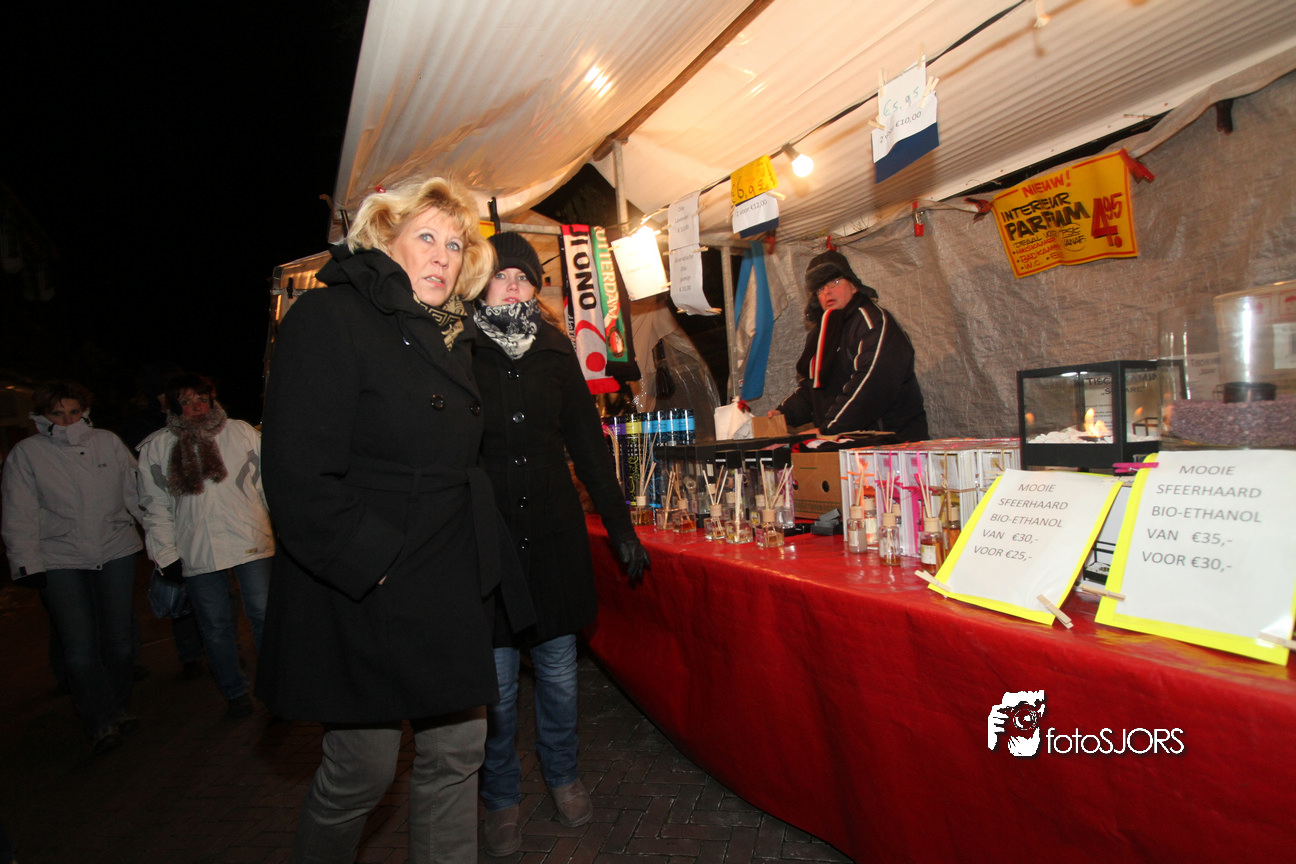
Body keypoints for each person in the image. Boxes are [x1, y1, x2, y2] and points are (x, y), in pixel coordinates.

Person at [257, 177, 535, 864]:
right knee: (362, 768)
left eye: (455, 244)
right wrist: (377, 563)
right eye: (426, 237)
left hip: (447, 578)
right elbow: (296, 474)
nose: (442, 255)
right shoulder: (330, 316)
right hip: (368, 585)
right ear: (385, 239)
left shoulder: (450, 335)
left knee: (459, 751)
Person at [471, 232, 650, 856]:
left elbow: (588, 445)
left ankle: (564, 774)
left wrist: (620, 526)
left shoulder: (554, 349)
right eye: (500, 276)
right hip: (490, 542)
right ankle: (499, 796)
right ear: (480, 284)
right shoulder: (461, 349)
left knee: (558, 673)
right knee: (496, 688)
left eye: (522, 277)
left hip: (552, 535)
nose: (512, 286)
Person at [1, 380, 143, 754]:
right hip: (59, 557)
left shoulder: (107, 442)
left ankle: (117, 707)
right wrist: (26, 562)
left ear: (85, 410)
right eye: (57, 414)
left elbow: (136, 493)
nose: (66, 421)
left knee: (121, 643)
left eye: (74, 412)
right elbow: (18, 511)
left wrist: (164, 544)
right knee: (79, 650)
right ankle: (100, 721)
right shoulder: (27, 454)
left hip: (115, 548)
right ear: (42, 415)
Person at [136, 374, 273, 718]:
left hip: (249, 538)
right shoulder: (157, 446)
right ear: (173, 406)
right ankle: (234, 692)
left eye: (202, 399)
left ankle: (276, 686)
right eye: (187, 401)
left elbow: (267, 484)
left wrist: (286, 527)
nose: (196, 407)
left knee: (264, 614)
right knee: (215, 627)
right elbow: (155, 506)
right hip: (196, 546)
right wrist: (165, 554)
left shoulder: (241, 433)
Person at [767, 250, 929, 441]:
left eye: (834, 282)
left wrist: (828, 429)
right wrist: (784, 413)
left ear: (853, 285)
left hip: (893, 446)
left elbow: (871, 386)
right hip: (851, 446)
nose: (827, 292)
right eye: (820, 288)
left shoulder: (873, 323)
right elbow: (815, 388)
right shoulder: (821, 335)